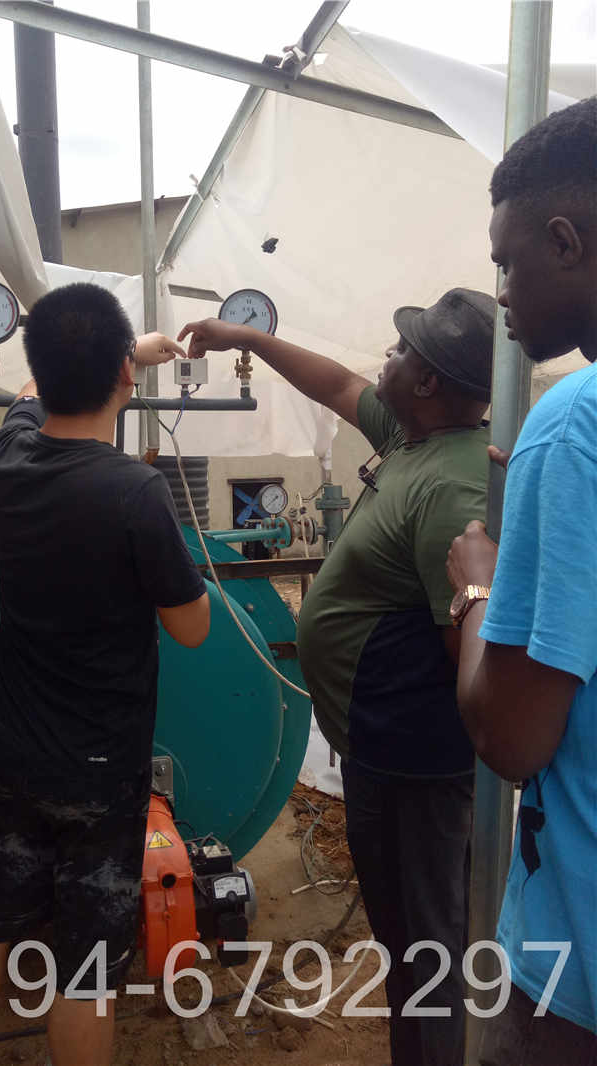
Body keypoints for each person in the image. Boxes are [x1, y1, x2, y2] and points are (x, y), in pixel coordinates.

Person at [179, 288, 496, 1066]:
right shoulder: (414, 436)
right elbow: (334, 383)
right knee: (405, 939)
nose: (385, 357)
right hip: (380, 750)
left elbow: (469, 653)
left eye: (402, 350)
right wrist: (244, 338)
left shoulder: (453, 484)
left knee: (430, 948)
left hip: (418, 770)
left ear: (428, 383)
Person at [0, 283, 210, 1066]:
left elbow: (30, 396)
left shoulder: (9, 457)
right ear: (126, 374)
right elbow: (191, 628)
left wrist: (127, 352)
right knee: (86, 970)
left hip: (15, 753)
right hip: (102, 773)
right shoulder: (137, 492)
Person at [447, 96, 597, 1064]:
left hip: (574, 972)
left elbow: (509, 737)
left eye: (506, 263)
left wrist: (480, 588)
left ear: (564, 242)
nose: (499, 290)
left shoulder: (571, 424)